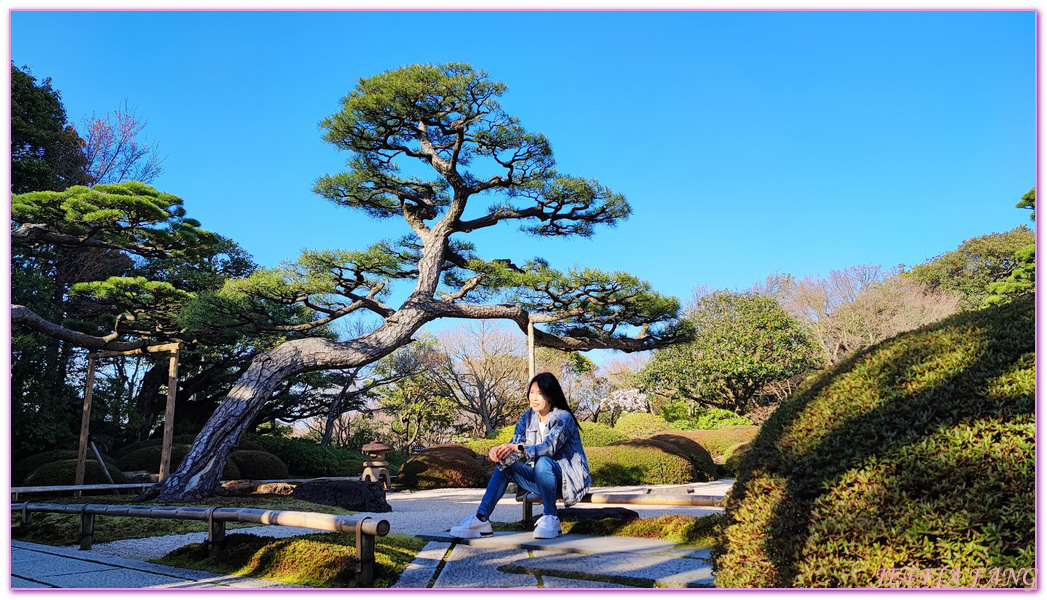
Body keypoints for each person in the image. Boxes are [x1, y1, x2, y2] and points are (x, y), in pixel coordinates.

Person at [449, 372, 590, 540]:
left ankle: (551, 517)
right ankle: (481, 519)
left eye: (540, 393)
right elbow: (515, 444)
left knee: (543, 461)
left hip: (567, 480)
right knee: (504, 467)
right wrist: (501, 452)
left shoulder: (563, 417)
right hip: (542, 480)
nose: (534, 398)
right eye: (532, 392)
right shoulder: (528, 417)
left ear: (551, 395)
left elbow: (549, 448)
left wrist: (519, 448)